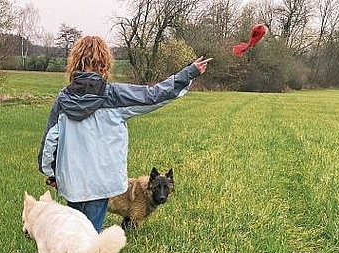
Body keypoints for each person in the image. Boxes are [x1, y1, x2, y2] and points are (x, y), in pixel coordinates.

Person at [38, 36, 211, 233]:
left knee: (74, 233)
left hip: (72, 182)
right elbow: (153, 95)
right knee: (89, 239)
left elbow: (49, 142)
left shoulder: (63, 98)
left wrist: (51, 172)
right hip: (101, 182)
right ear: (105, 62)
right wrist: (188, 73)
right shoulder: (114, 95)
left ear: (75, 62)